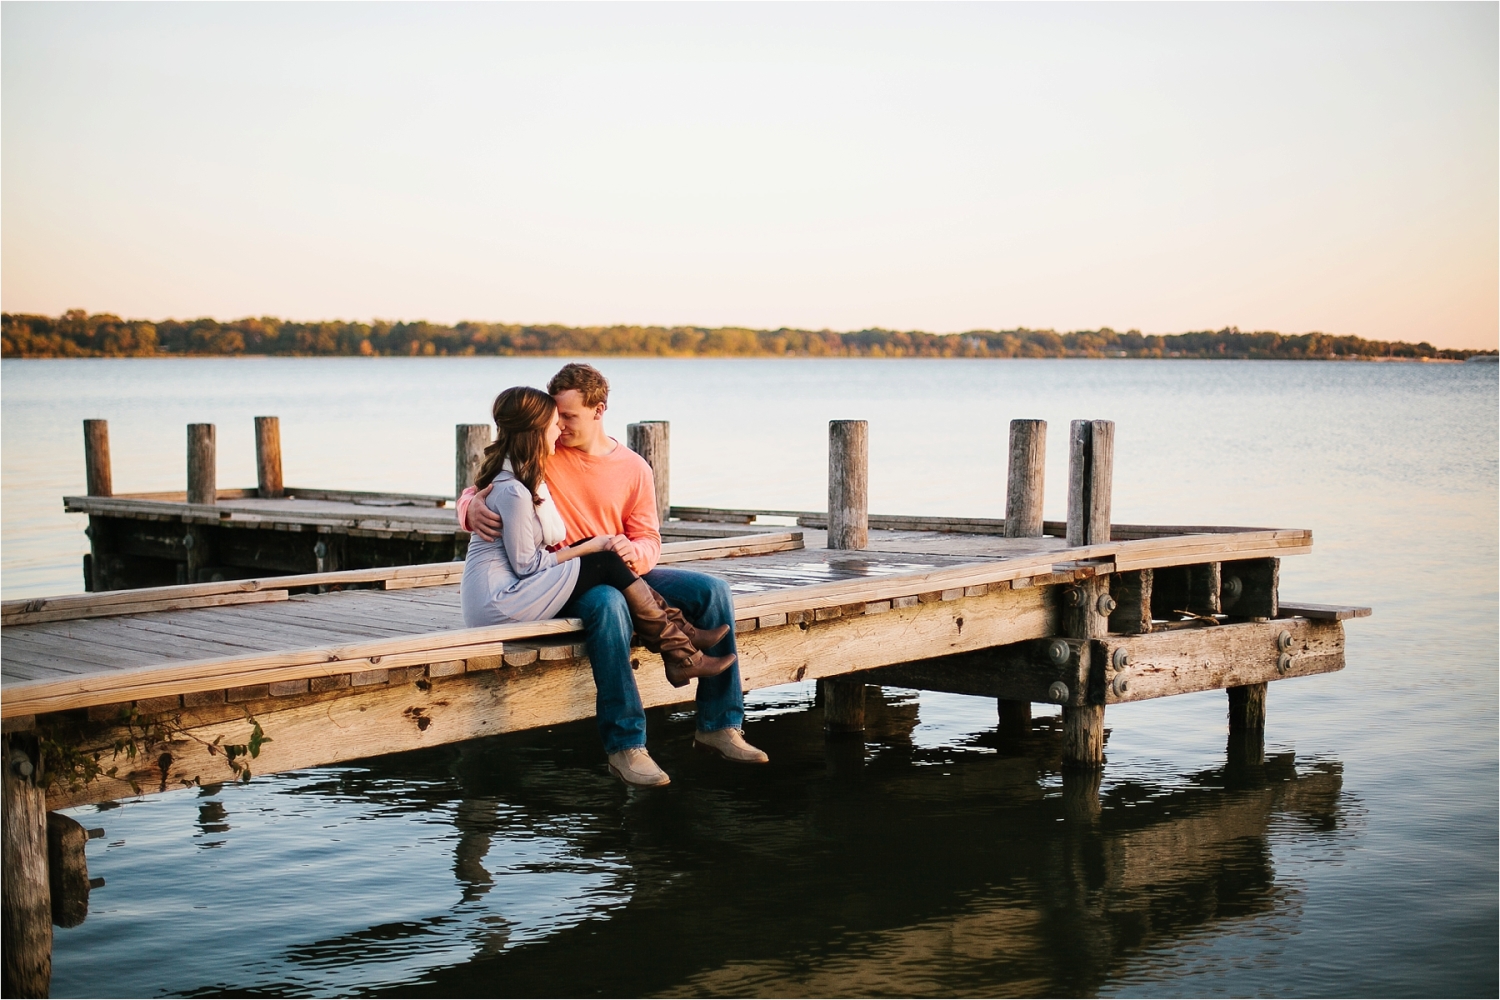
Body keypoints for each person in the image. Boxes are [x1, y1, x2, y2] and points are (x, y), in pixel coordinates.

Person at [458, 364, 769, 787]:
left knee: (712, 591)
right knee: (608, 603)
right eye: (556, 418)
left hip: (623, 568)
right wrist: (469, 508)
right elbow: (493, 487)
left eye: (569, 417)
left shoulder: (634, 467)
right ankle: (627, 746)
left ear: (599, 410)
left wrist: (630, 552)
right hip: (562, 578)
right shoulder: (545, 452)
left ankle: (719, 724)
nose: (561, 427)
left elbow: (649, 540)